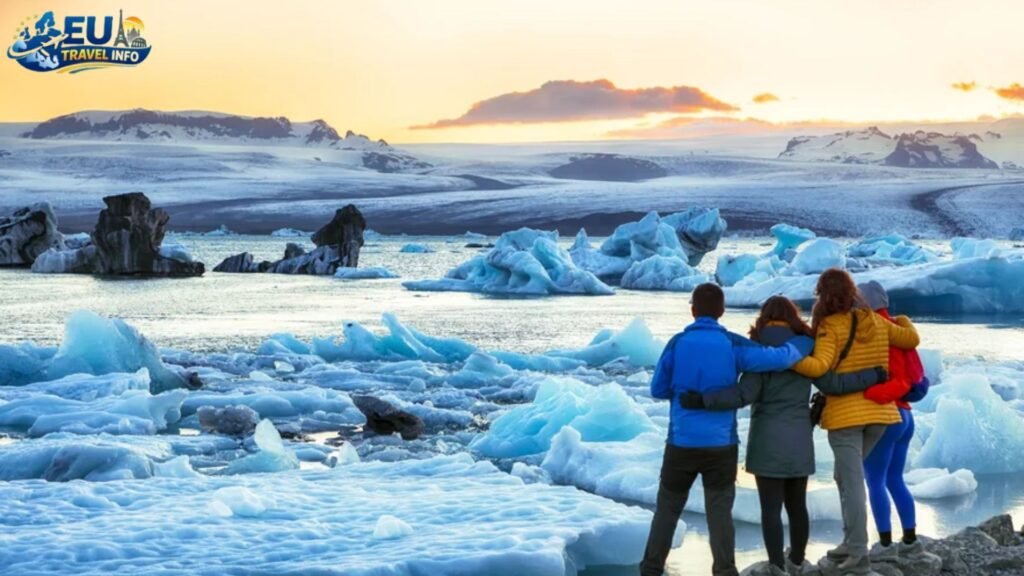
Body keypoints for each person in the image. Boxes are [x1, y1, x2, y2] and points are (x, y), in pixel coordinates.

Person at [680, 296, 887, 576]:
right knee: (797, 505)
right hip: (799, 437)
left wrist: (704, 399)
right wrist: (873, 375)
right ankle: (798, 561)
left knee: (770, 509)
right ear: (793, 317)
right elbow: (834, 384)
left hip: (766, 440)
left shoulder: (759, 352)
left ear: (763, 318)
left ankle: (777, 565)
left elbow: (743, 395)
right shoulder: (806, 350)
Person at [640, 284, 815, 576]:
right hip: (721, 445)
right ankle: (724, 570)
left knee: (668, 509)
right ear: (721, 311)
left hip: (681, 442)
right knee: (719, 513)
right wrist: (806, 342)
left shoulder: (676, 344)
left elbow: (658, 388)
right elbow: (780, 358)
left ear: (693, 310)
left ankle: (650, 568)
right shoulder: (733, 345)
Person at [790, 269, 920, 575]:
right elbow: (911, 338)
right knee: (843, 478)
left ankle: (858, 554)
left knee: (852, 484)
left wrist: (787, 357)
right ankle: (850, 543)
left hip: (847, 418)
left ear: (823, 294)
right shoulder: (875, 320)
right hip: (881, 416)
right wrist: (900, 318)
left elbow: (820, 366)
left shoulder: (829, 326)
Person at [857, 281, 928, 560]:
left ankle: (885, 544)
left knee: (874, 480)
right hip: (907, 415)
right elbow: (913, 377)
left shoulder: (875, 332)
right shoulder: (902, 330)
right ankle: (910, 537)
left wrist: (867, 392)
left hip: (886, 414)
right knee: (895, 478)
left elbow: (896, 379)